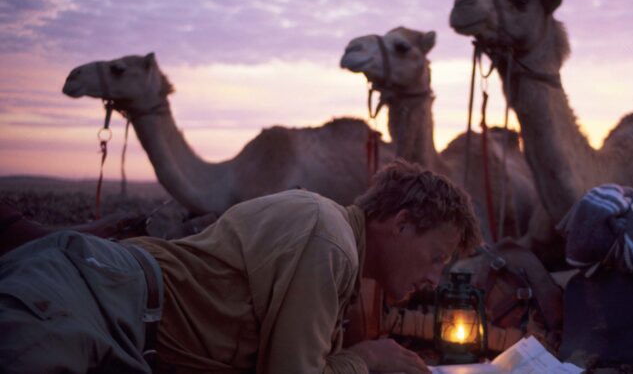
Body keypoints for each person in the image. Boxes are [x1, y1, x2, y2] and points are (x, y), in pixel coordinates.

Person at [0, 159, 482, 373]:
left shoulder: (336, 251)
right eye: (437, 257)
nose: (434, 280)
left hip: (117, 325)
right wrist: (369, 360)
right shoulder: (329, 239)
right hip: (88, 295)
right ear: (401, 224)